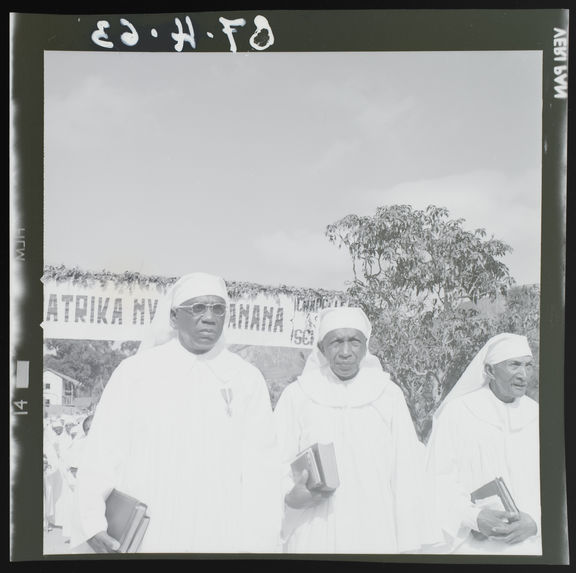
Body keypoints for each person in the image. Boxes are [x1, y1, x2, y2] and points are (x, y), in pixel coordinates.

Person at [74, 272, 282, 553]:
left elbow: (262, 469)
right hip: (152, 530)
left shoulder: (246, 378)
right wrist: (91, 519)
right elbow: (102, 450)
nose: (209, 317)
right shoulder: (136, 373)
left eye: (218, 308)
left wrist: (263, 541)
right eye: (198, 308)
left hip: (223, 530)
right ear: (173, 317)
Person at [274, 306, 425, 553]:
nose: (345, 352)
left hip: (374, 527)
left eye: (354, 341)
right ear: (322, 348)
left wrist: (408, 538)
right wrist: (289, 495)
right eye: (336, 342)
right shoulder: (298, 395)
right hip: (314, 525)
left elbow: (405, 468)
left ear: (366, 345)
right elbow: (275, 460)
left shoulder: (388, 395)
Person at [424, 333, 541, 555]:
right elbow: (438, 479)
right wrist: (474, 517)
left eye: (528, 366)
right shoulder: (458, 413)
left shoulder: (537, 415)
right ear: (489, 371)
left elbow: (556, 482)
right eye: (514, 365)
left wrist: (535, 522)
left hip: (533, 544)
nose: (523, 375)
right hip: (473, 546)